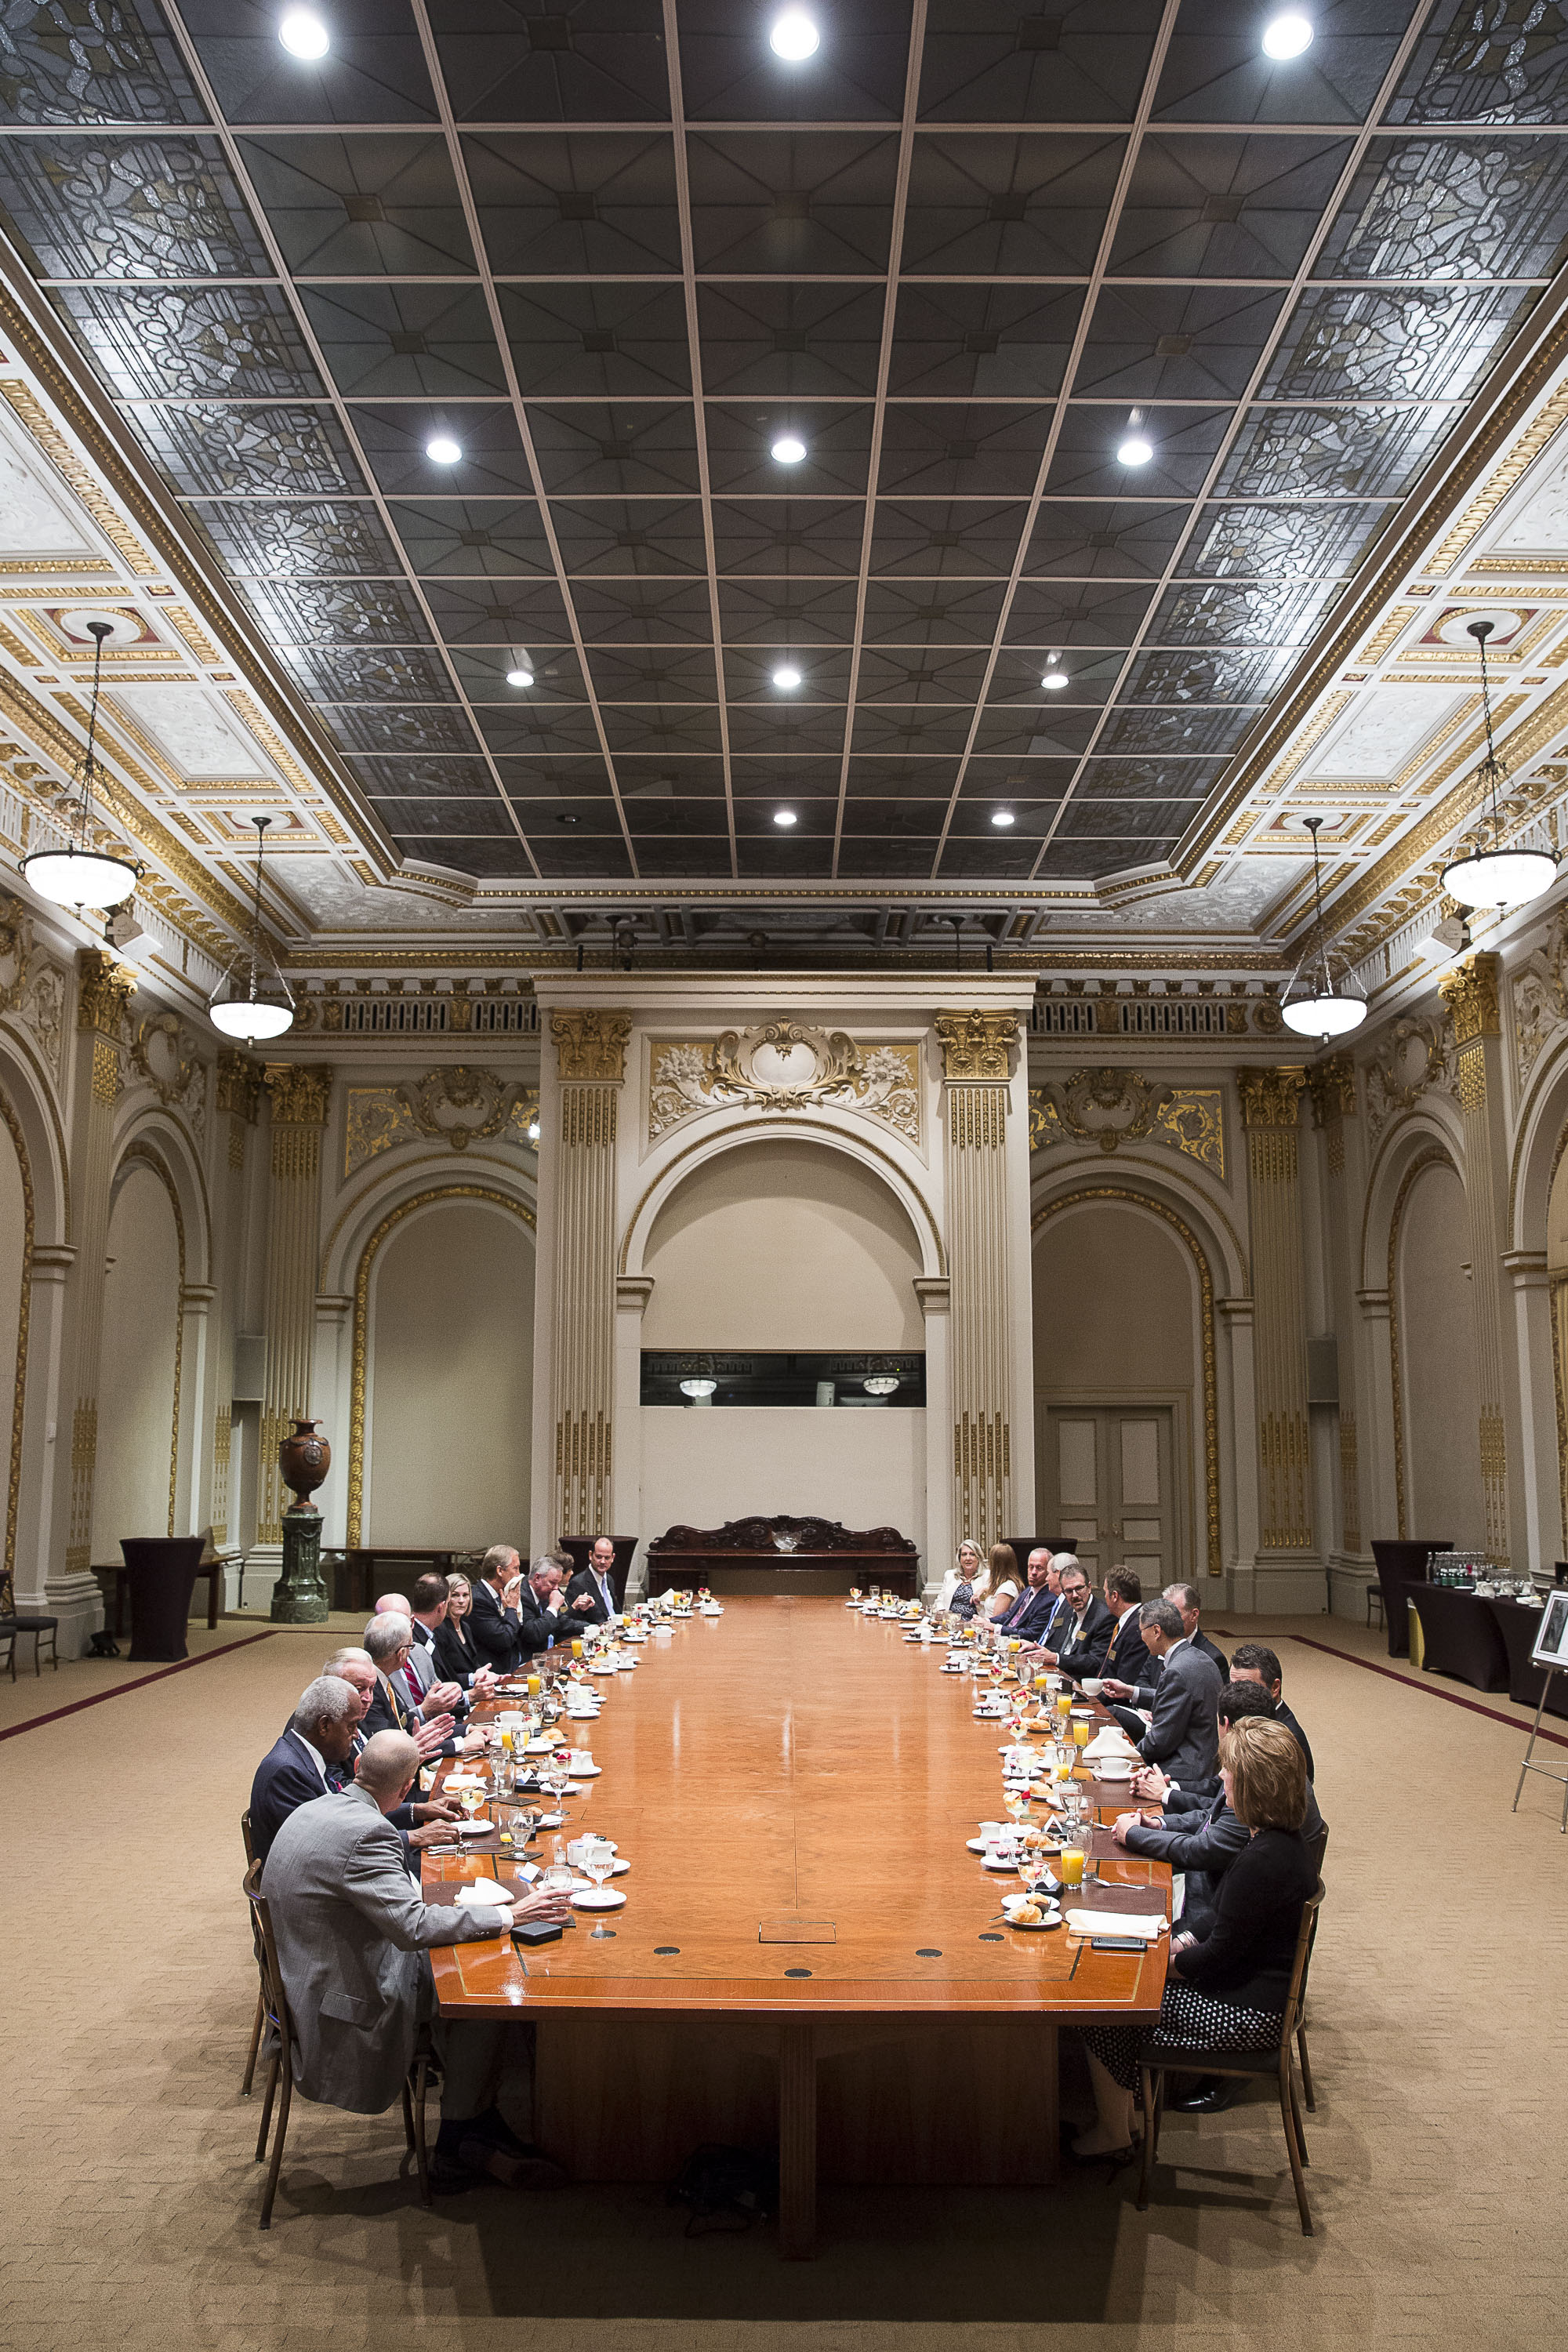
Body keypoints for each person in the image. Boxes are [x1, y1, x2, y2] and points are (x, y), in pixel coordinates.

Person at [260, 1730, 572, 2192]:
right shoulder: (368, 1832)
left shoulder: (317, 1807)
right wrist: (511, 1914)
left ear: (358, 1766)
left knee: (469, 1956)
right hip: (346, 2003)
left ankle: (477, 2120)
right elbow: (412, 1930)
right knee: (484, 1988)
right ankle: (460, 2137)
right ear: (408, 1788)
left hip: (309, 1975)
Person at [1071, 1717, 1316, 2159]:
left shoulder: (1260, 1861)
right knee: (1127, 1977)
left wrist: (1164, 1967)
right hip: (1254, 1994)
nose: (1221, 1779)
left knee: (1107, 2007)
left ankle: (1115, 2132)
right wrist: (1175, 1942)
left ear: (1254, 1786)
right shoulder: (1278, 1842)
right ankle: (1127, 2121)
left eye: (1230, 1774)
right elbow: (1224, 1921)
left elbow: (1218, 1957)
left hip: (1248, 2014)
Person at [252, 1673, 464, 1864]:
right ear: (324, 1726)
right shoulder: (287, 1772)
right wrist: (414, 1837)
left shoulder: (311, 1755)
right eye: (351, 1726)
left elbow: (350, 1809)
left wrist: (417, 1811)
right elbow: (329, 1844)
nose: (355, 1736)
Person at [1104, 1597, 1222, 1788]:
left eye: (1141, 1631)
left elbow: (1160, 1742)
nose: (1141, 1637)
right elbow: (1180, 1697)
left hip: (1183, 1769)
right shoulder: (1201, 1658)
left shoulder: (1176, 1671)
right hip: (1205, 1761)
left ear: (1157, 1631)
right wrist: (1131, 1691)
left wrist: (1127, 1756)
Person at [361, 1614, 478, 1755]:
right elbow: (390, 1749)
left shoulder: (382, 1681)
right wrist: (461, 1744)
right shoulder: (370, 1689)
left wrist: (467, 1730)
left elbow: (408, 1722)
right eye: (410, 1646)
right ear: (401, 1654)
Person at [406, 1573, 497, 1706]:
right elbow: (433, 1689)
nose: (461, 1601)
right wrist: (470, 1696)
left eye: (465, 1595)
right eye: (453, 1597)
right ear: (442, 1607)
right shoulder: (416, 1639)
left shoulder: (429, 1635)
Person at [1231, 1642, 1314, 1781]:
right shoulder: (1247, 1718)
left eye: (1248, 1688)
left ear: (1275, 1687)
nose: (1236, 1695)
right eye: (1233, 1686)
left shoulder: (1286, 1740)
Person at [1047, 1560, 1112, 1677]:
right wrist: (1037, 1649)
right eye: (1069, 1591)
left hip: (1081, 1682)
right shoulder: (1067, 1609)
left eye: (1079, 1588)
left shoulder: (1104, 1617)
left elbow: (1094, 1662)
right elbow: (1059, 1647)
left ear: (1089, 1587)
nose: (1075, 1595)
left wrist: (1057, 1658)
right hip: (1057, 1675)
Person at [469, 1544, 527, 1673]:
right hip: (494, 1672)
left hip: (513, 1666)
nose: (519, 1574)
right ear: (500, 1571)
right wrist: (511, 1608)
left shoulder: (504, 1594)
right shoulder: (478, 1600)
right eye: (515, 1568)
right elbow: (504, 1640)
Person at [1164, 1581, 1229, 1682]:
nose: (1167, 1621)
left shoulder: (1213, 1658)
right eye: (1164, 1614)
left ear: (1194, 1615)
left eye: (1175, 1615)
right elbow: (1143, 1678)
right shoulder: (1156, 1644)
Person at [1097, 1569, 1151, 1687]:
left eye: (1105, 1592)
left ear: (1115, 1596)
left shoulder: (1138, 1628)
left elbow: (1125, 1682)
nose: (1105, 1597)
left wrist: (1091, 1698)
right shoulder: (1126, 1621)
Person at [433, 1573, 486, 1687]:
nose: (461, 1601)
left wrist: (486, 1675)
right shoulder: (439, 1629)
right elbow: (443, 1675)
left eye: (465, 1595)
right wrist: (472, 1678)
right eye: (455, 1595)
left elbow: (473, 1665)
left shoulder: (465, 1627)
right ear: (445, 1598)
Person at [995, 1548, 1059, 1641]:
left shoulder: (1049, 1599)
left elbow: (1031, 1634)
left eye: (1039, 1568)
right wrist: (987, 1621)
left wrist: (997, 1628)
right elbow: (1010, 1615)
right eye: (1031, 1567)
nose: (1033, 1572)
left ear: (1048, 1571)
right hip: (1004, 1640)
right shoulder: (1029, 1589)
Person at [515, 1556, 569, 1654]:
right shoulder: (521, 1596)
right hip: (528, 1660)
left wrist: (591, 1627)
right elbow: (533, 1634)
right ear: (537, 1578)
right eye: (553, 1583)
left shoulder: (542, 1593)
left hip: (548, 1654)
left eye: (558, 1584)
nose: (556, 1589)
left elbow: (561, 1621)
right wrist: (553, 1607)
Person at [565, 1537, 619, 1624]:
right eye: (598, 1557)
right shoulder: (578, 1583)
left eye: (607, 1558)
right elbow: (571, 1621)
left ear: (613, 1558)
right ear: (590, 1555)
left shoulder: (609, 1579)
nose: (603, 1561)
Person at [934, 1540, 988, 1620]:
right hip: (951, 1622)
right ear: (959, 1558)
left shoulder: (987, 1576)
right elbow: (940, 1600)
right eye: (964, 1555)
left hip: (975, 1623)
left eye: (972, 1554)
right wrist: (944, 1615)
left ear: (978, 1558)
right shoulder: (950, 1575)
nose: (968, 1558)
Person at [981, 1543, 1022, 1622]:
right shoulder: (1000, 1584)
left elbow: (996, 1621)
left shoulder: (1007, 1588)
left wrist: (979, 1621)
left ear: (995, 1564)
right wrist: (983, 1590)